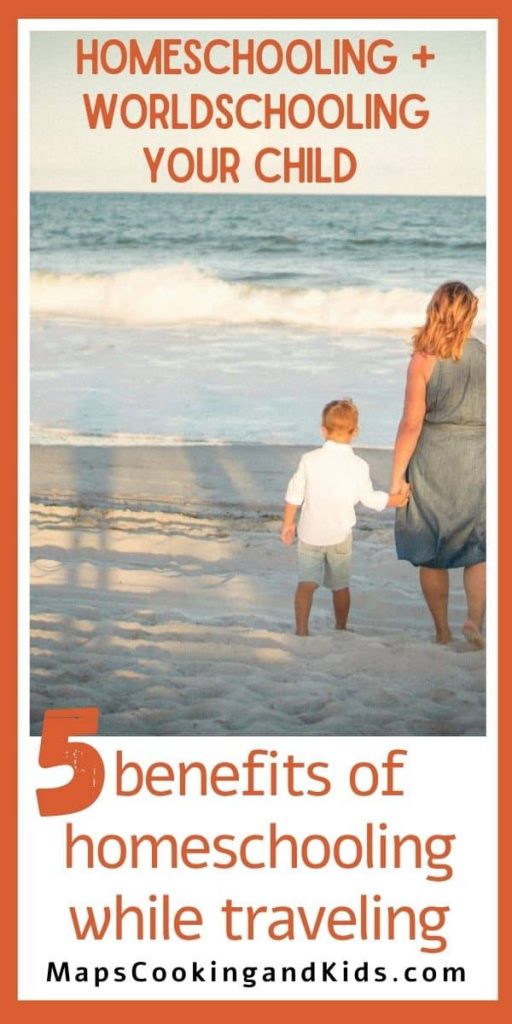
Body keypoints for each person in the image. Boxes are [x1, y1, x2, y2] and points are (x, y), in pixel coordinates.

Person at [391, 281, 486, 647]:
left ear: (435, 310)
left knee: (431, 550)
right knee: (478, 547)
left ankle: (442, 632)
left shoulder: (424, 360)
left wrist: (397, 476)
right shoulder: (491, 356)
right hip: (479, 457)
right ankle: (475, 622)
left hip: (434, 460)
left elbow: (411, 424)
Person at [281, 399, 409, 636]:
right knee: (340, 586)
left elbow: (294, 496)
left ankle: (301, 630)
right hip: (340, 535)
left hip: (310, 534)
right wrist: (395, 500)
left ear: (323, 430)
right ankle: (340, 627)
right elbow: (369, 499)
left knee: (306, 584)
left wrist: (288, 524)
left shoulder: (309, 460)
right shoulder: (359, 465)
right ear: (356, 432)